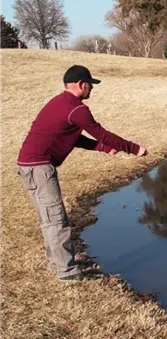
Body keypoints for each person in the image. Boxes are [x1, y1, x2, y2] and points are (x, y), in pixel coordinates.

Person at [17, 65, 148, 281]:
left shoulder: (59, 102)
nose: (92, 90)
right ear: (81, 84)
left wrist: (104, 148)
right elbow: (102, 134)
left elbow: (73, 137)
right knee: (57, 220)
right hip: (38, 168)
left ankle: (57, 263)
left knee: (49, 219)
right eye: (90, 85)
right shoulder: (77, 108)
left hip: (29, 167)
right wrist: (135, 149)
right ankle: (67, 273)